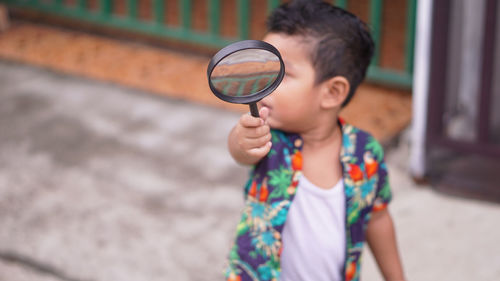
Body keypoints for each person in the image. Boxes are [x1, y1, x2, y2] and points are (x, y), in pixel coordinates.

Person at [224, 1, 405, 281]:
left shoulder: (365, 153)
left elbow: (378, 218)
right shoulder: (269, 138)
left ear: (332, 92)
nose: (264, 83)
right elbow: (242, 151)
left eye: (281, 73)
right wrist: (242, 139)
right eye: (264, 68)